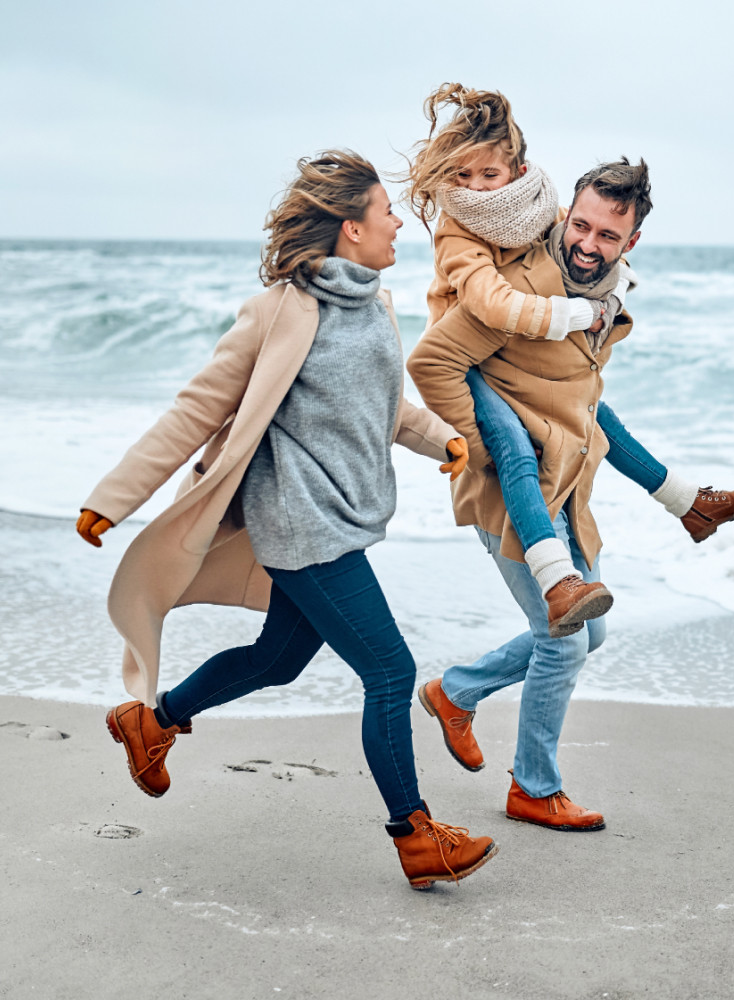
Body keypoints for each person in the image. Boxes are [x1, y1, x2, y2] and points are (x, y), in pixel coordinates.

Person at [75, 150, 496, 890]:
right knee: (391, 672)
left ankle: (153, 722)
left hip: (344, 513)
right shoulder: (280, 310)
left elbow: (380, 404)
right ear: (349, 227)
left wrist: (443, 438)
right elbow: (199, 405)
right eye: (386, 211)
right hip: (300, 522)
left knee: (278, 659)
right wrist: (115, 496)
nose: (399, 222)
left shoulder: (373, 302)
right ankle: (416, 836)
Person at [406, 157, 734, 832]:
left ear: (631, 243)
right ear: (564, 215)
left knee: (589, 633)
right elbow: (430, 361)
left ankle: (456, 693)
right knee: (563, 640)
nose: (587, 243)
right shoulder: (522, 290)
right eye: (580, 225)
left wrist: (672, 489)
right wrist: (483, 452)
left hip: (564, 491)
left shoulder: (608, 294)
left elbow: (586, 404)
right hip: (511, 497)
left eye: (606, 234)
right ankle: (533, 788)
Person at [401, 83, 734, 639]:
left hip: (521, 352)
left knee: (598, 415)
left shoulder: (539, 213)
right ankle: (555, 579)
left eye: (488, 175)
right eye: (463, 176)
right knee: (513, 448)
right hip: (472, 362)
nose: (474, 188)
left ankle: (689, 502)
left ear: (518, 173)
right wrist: (575, 314)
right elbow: (485, 304)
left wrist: (610, 297)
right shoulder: (459, 227)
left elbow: (576, 249)